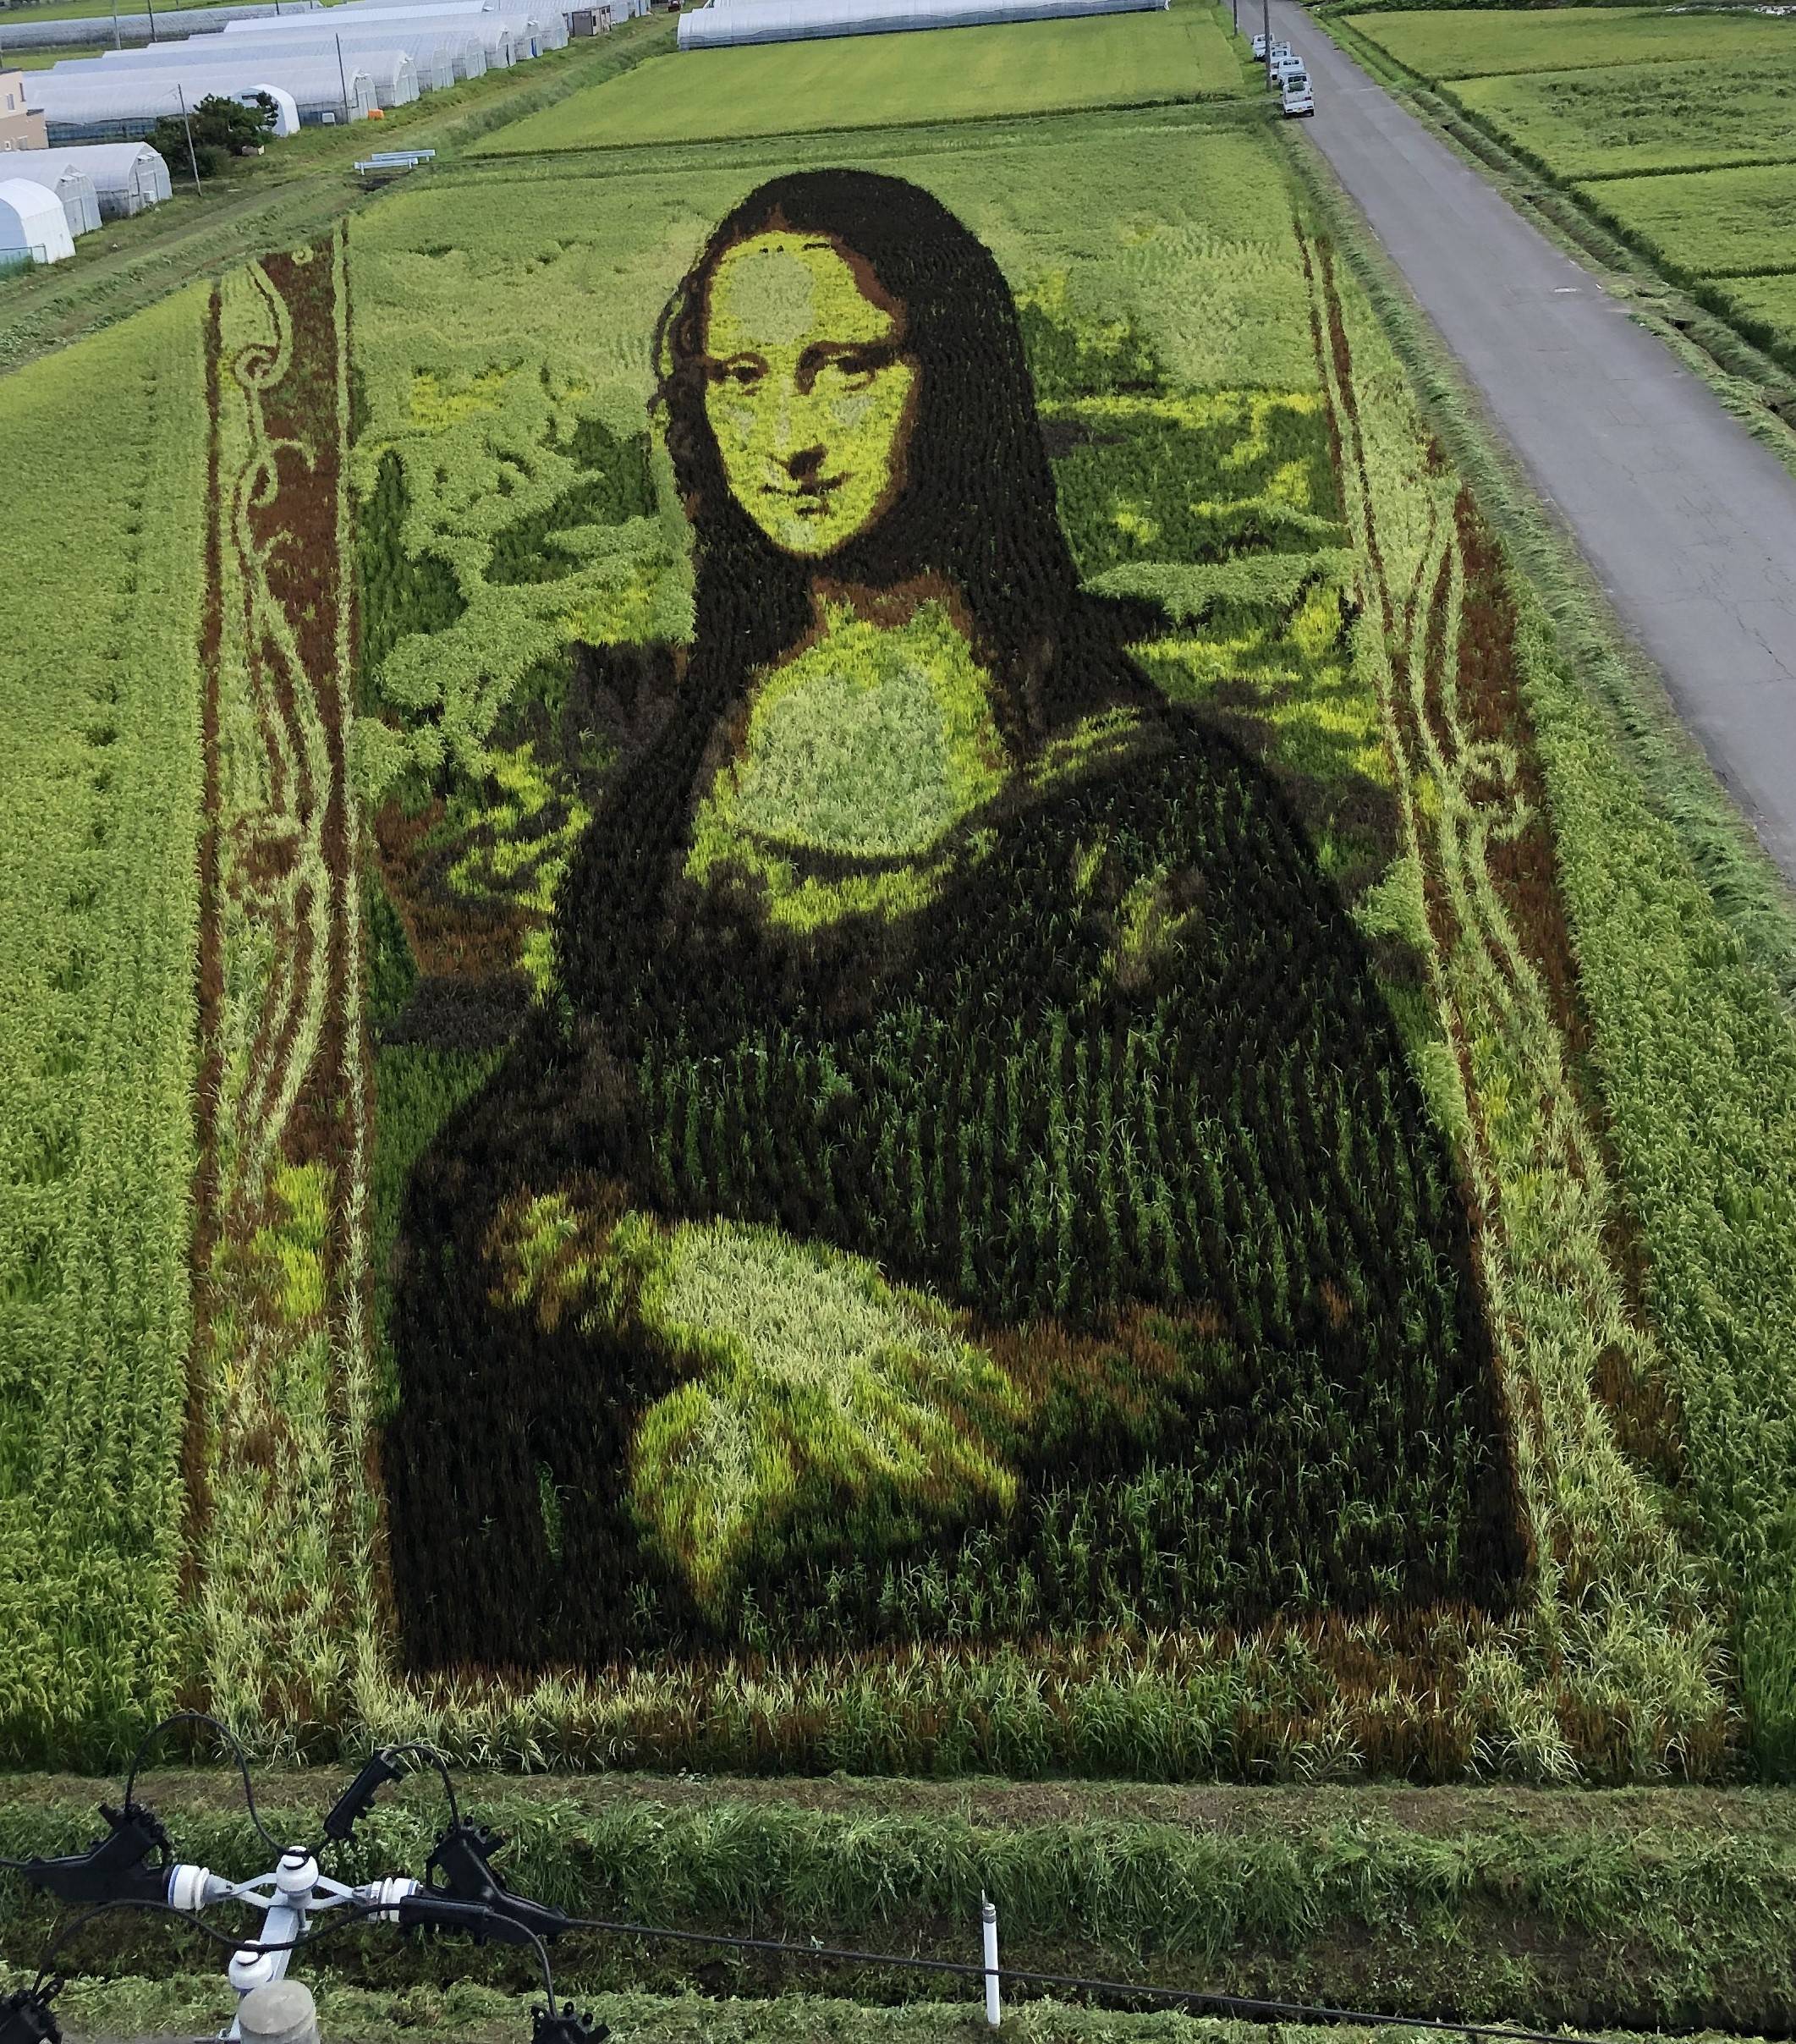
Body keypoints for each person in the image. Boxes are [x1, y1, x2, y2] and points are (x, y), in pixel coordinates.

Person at [383, 168, 1528, 1672]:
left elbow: (1332, 1319)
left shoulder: (1146, 825)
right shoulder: (679, 806)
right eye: (739, 378)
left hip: (1057, 1570)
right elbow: (495, 1179)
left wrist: (871, 1427)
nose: (788, 437)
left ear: (958, 382)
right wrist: (704, 1285)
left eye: (845, 366)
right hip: (664, 1560)